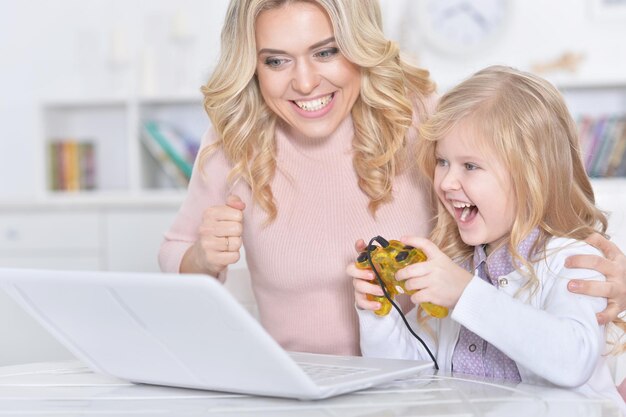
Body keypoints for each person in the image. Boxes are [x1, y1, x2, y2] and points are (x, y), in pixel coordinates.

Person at [159, 0, 626, 357]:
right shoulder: (232, 142)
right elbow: (172, 253)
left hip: (425, 384)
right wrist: (203, 256)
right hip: (298, 386)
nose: (303, 83)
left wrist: (607, 272)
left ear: (358, 46)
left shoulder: (419, 114)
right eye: (276, 61)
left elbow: (521, 194)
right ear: (252, 66)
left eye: (326, 52)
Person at [352, 65, 625, 412]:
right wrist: (378, 311)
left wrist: (464, 292)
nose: (447, 182)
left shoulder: (573, 261)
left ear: (532, 176)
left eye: (470, 166)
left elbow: (572, 360)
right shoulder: (458, 266)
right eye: (442, 161)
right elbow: (408, 380)